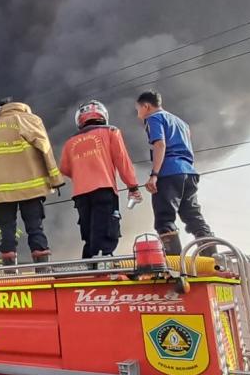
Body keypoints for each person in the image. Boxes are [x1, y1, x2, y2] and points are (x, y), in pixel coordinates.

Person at [0, 97, 64, 267]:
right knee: (35, 226)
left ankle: (9, 267)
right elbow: (45, 148)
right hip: (30, 186)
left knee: (6, 230)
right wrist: (55, 179)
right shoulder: (30, 120)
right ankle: (42, 266)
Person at [60, 100, 143, 258]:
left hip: (80, 195)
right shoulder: (111, 131)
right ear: (103, 114)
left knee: (89, 230)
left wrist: (81, 174)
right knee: (106, 228)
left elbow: (64, 169)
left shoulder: (69, 142)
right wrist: (132, 186)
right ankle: (104, 260)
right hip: (104, 190)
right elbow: (122, 161)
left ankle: (90, 263)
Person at [136, 90, 214, 255]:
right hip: (189, 173)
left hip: (169, 172)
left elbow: (160, 145)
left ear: (146, 106)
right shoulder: (182, 123)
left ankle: (174, 264)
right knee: (193, 216)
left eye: (138, 110)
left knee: (164, 218)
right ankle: (212, 259)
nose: (139, 115)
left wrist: (154, 174)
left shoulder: (153, 118)